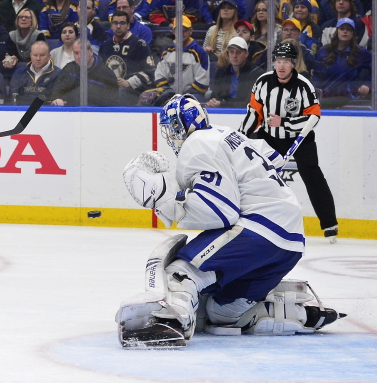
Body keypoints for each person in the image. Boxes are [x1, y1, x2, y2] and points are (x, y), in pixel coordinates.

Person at [117, 93, 344, 348]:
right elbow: (271, 156)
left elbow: (222, 211)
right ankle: (299, 313)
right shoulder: (224, 134)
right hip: (290, 242)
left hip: (260, 228)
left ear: (184, 126)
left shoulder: (197, 144)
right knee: (222, 313)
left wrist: (166, 199)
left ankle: (170, 324)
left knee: (181, 272)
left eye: (173, 129)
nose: (172, 136)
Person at [240, 42, 339, 242]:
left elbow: (314, 117)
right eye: (278, 61)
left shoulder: (304, 86)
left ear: (293, 63)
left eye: (286, 61)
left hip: (300, 138)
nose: (281, 66)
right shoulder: (263, 82)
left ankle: (329, 224)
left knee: (312, 174)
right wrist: (242, 136)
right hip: (269, 137)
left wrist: (284, 122)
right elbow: (254, 112)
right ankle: (252, 217)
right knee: (256, 174)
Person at [139, 16, 209, 106]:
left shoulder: (200, 52)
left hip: (193, 95)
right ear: (173, 31)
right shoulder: (166, 51)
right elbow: (160, 76)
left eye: (185, 30)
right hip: (169, 94)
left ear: (190, 31)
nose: (181, 33)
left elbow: (202, 82)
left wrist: (182, 98)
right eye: (178, 29)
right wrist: (169, 94)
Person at [99, 10, 155, 103]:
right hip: (108, 89)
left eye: (122, 23)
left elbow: (150, 72)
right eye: (115, 23)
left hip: (133, 91)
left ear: (128, 25)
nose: (118, 26)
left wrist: (129, 82)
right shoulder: (105, 46)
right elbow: (99, 70)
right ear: (111, 26)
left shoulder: (139, 44)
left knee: (119, 94)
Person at [314, 18, 371, 108]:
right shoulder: (324, 51)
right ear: (337, 32)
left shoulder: (361, 53)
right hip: (325, 98)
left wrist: (367, 85)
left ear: (353, 33)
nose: (345, 31)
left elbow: (374, 70)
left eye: (348, 29)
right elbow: (317, 75)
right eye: (342, 29)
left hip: (349, 99)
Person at [50, 38, 119, 106]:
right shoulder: (69, 69)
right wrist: (57, 99)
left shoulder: (107, 74)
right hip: (71, 113)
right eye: (76, 53)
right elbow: (58, 89)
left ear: (91, 51)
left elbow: (112, 103)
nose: (79, 56)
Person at [206, 36, 265, 107]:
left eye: (238, 52)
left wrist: (222, 104)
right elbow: (214, 96)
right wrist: (212, 102)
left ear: (246, 54)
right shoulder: (221, 72)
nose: (234, 56)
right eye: (231, 52)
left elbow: (249, 104)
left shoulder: (256, 73)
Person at [9, 40, 62, 105]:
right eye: (35, 55)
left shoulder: (59, 74)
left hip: (47, 112)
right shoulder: (19, 73)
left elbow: (57, 97)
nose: (38, 58)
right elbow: (13, 97)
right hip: (22, 111)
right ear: (30, 55)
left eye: (42, 55)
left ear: (49, 56)